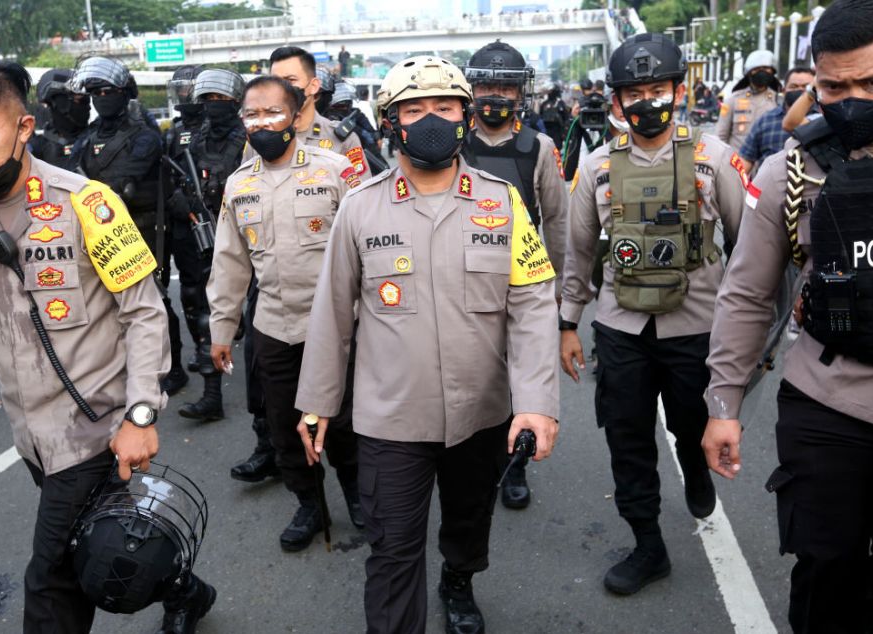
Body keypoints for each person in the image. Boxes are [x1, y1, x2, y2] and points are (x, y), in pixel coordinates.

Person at [0, 59, 216, 634]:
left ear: (22, 128)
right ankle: (184, 590)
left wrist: (142, 412)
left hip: (95, 431)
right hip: (31, 438)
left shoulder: (87, 204)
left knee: (50, 582)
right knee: (96, 546)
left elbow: (144, 314)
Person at [701, 2, 873, 632]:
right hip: (828, 397)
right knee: (827, 567)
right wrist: (724, 406)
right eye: (833, 87)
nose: (852, 101)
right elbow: (747, 295)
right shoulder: (791, 169)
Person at [295, 55, 560, 634]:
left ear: (465, 116)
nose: (431, 120)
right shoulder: (360, 208)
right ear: (391, 123)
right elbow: (332, 314)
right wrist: (317, 402)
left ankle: (459, 580)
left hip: (482, 413)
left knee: (468, 521)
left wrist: (537, 403)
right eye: (414, 110)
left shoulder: (502, 203)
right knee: (391, 550)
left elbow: (534, 303)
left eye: (444, 107)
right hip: (390, 417)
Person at [559, 33, 746, 596]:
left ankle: (695, 471)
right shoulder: (595, 168)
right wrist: (568, 323)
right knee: (627, 439)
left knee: (693, 428)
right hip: (621, 330)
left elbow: (750, 251)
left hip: (697, 329)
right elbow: (579, 251)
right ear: (616, 102)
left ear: (677, 91)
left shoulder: (714, 160)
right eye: (633, 92)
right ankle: (647, 545)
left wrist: (749, 338)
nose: (646, 101)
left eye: (656, 89)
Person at [209, 75, 363, 552]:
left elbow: (368, 250)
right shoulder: (239, 185)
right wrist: (221, 327)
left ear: (296, 116)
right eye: (251, 115)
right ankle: (309, 506)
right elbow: (230, 262)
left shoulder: (337, 170)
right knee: (283, 426)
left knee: (344, 424)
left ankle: (360, 499)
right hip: (274, 327)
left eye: (272, 112)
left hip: (338, 327)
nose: (261, 123)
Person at [462, 39, 568, 510]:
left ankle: (515, 464)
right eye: (487, 84)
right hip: (462, 279)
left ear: (519, 93)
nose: (495, 96)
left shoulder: (538, 148)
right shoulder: (451, 142)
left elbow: (559, 222)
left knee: (519, 376)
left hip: (520, 282)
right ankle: (473, 461)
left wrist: (562, 297)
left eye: (505, 86)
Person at [69, 58, 188, 398]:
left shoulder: (144, 137)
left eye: (108, 92)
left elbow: (125, 182)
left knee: (153, 301)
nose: (101, 98)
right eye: (95, 93)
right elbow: (68, 176)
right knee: (105, 305)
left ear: (124, 94)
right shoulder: (88, 137)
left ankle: (172, 366)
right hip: (98, 233)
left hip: (143, 229)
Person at [170, 69, 247, 422]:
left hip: (250, 231)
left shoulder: (249, 138)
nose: (214, 107)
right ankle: (212, 394)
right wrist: (184, 200)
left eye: (221, 100)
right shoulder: (196, 140)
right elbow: (179, 179)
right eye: (208, 100)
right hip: (208, 230)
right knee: (205, 309)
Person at [161, 64, 205, 397]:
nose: (183, 95)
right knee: (190, 291)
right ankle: (201, 350)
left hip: (208, 216)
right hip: (180, 222)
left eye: (189, 89)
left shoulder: (216, 127)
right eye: (180, 89)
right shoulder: (174, 130)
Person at [267, 46, 366, 175]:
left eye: (291, 80)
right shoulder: (260, 139)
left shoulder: (342, 139)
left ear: (313, 86)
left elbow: (360, 191)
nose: (282, 88)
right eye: (276, 81)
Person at [739, 66, 816, 173]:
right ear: (783, 91)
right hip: (768, 186)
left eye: (806, 87)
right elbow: (746, 159)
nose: (800, 90)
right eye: (794, 86)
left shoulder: (824, 119)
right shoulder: (766, 120)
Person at [716, 49, 780, 152]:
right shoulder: (732, 100)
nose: (762, 72)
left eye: (766, 68)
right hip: (737, 164)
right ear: (749, 72)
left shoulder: (779, 101)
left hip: (767, 164)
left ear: (772, 72)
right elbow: (721, 137)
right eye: (757, 69)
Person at [30, 68, 89, 170]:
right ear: (58, 103)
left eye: (86, 100)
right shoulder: (36, 148)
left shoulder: (96, 138)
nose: (87, 107)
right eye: (79, 100)